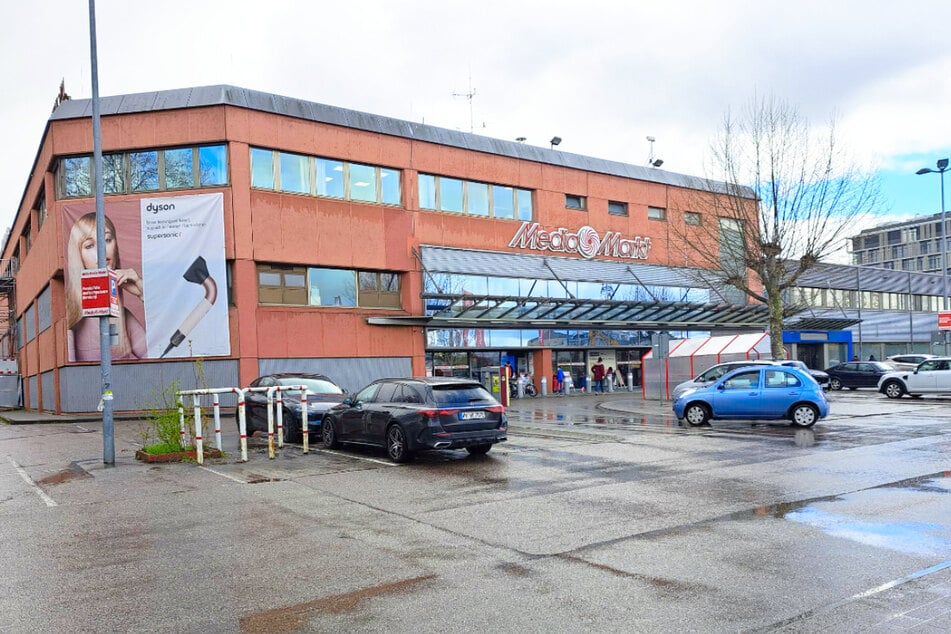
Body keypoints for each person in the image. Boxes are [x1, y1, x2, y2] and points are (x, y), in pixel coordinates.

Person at [66, 212, 146, 361]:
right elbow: (71, 375)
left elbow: (157, 353)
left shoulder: (121, 314)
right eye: (89, 245)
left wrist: (141, 290)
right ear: (78, 255)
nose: (102, 249)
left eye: (107, 239)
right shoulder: (71, 315)